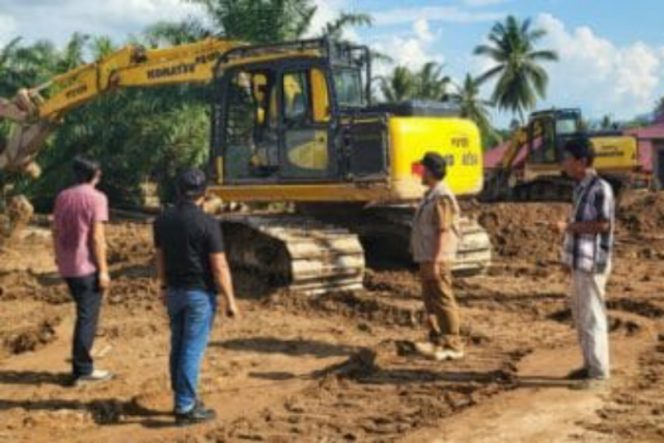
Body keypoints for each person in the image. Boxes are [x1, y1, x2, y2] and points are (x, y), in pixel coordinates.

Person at [154, 168, 239, 426]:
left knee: (178, 346)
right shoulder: (208, 224)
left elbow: (160, 257)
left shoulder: (163, 220)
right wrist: (231, 301)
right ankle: (185, 407)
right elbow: (219, 266)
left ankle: (182, 396)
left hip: (174, 293)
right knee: (192, 349)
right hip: (199, 295)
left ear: (178, 190)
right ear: (204, 193)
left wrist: (164, 286)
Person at [555, 136, 615, 390]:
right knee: (581, 316)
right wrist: (568, 258)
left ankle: (599, 373)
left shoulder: (600, 188)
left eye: (568, 158)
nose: (564, 163)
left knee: (592, 317)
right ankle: (590, 365)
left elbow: (603, 224)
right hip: (581, 262)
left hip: (593, 263)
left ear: (581, 161)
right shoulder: (580, 188)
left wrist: (567, 227)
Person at [53, 156, 112, 385]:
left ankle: (81, 366)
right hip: (87, 266)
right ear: (95, 174)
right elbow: (97, 238)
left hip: (68, 266)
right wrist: (104, 270)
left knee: (83, 315)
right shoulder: (97, 199)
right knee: (87, 318)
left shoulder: (62, 197)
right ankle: (83, 370)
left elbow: (55, 231)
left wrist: (58, 258)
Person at [410, 152, 464, 361]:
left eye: (423, 169)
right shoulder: (431, 195)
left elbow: (443, 231)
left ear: (430, 172)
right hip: (427, 256)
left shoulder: (442, 197)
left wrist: (437, 260)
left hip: (436, 258)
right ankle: (437, 340)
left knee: (442, 299)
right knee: (430, 300)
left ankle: (453, 343)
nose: (420, 173)